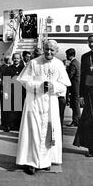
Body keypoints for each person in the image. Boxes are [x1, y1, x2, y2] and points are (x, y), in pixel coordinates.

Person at [16, 40, 71, 175]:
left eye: (52, 50)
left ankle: (45, 161)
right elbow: (24, 81)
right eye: (47, 49)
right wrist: (38, 86)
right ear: (43, 49)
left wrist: (54, 87)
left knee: (49, 132)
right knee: (33, 130)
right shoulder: (34, 63)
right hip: (34, 101)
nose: (49, 52)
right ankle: (31, 162)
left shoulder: (58, 64)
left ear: (56, 51)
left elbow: (64, 85)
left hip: (51, 102)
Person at [1, 52, 25, 132]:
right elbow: (5, 81)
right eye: (14, 58)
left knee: (18, 110)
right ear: (12, 59)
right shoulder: (8, 69)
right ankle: (8, 126)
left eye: (17, 58)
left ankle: (17, 126)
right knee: (9, 110)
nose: (16, 60)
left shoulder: (23, 69)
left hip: (20, 92)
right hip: (10, 92)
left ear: (20, 59)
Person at [65, 48, 81, 127]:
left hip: (74, 87)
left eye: (67, 55)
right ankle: (76, 120)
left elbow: (70, 75)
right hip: (76, 86)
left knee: (75, 104)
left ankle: (76, 120)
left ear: (70, 55)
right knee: (75, 104)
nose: (66, 57)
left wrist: (66, 69)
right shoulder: (77, 62)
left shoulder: (73, 64)